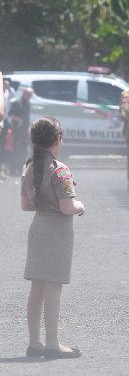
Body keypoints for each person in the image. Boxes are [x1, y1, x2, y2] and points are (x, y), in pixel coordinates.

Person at [21, 116, 84, 359]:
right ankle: (52, 343)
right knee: (53, 289)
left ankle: (34, 342)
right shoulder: (60, 169)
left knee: (37, 289)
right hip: (56, 231)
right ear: (57, 140)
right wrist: (80, 205)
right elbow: (67, 207)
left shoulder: (29, 168)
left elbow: (26, 205)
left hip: (38, 228)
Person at [9, 87, 33, 176]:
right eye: (28, 94)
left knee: (23, 151)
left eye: (30, 94)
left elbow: (27, 117)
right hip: (17, 131)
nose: (29, 96)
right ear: (23, 93)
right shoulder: (16, 103)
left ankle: (20, 170)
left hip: (24, 131)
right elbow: (10, 115)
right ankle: (12, 170)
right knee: (16, 150)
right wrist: (19, 120)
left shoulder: (28, 104)